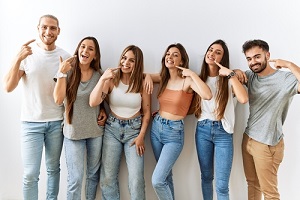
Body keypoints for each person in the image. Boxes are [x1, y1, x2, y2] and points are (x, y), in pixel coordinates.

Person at [3, 14, 70, 200]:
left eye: (53, 28)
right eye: (44, 27)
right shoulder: (27, 55)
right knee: (30, 174)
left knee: (53, 169)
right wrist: (17, 58)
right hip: (30, 124)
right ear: (38, 28)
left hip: (56, 122)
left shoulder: (65, 56)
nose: (48, 31)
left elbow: (71, 93)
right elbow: (8, 87)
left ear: (58, 31)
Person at [235, 39, 300, 200]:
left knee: (270, 193)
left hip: (267, 143)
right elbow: (236, 76)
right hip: (248, 139)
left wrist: (290, 65)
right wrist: (236, 70)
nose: (253, 62)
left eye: (257, 57)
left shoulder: (285, 79)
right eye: (249, 59)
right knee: (253, 185)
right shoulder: (251, 76)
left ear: (267, 55)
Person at [148, 43, 212, 200]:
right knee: (165, 178)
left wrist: (192, 74)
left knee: (157, 180)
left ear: (182, 62)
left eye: (175, 55)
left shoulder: (187, 81)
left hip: (174, 134)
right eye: (168, 54)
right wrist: (149, 76)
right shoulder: (163, 78)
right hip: (156, 128)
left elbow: (207, 95)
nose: (170, 57)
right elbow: (140, 75)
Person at [89, 45, 151, 200]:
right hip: (112, 130)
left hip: (134, 132)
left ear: (138, 64)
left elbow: (147, 113)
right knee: (108, 178)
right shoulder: (111, 80)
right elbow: (94, 101)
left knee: (136, 179)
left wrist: (141, 136)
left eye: (132, 60)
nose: (126, 63)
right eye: (124, 58)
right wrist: (103, 78)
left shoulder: (142, 83)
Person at [193, 39, 248, 200]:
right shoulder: (199, 79)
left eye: (218, 52)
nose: (212, 54)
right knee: (206, 177)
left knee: (222, 186)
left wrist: (231, 74)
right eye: (210, 50)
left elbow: (243, 99)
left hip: (223, 131)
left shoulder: (230, 78)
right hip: (202, 130)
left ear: (223, 59)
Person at [53, 36, 106, 200]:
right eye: (83, 47)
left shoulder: (99, 75)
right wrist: (61, 73)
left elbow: (101, 99)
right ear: (78, 50)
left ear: (95, 55)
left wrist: (104, 110)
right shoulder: (67, 71)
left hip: (95, 132)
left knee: (92, 175)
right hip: (73, 133)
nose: (86, 51)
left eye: (91, 48)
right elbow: (58, 99)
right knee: (75, 179)